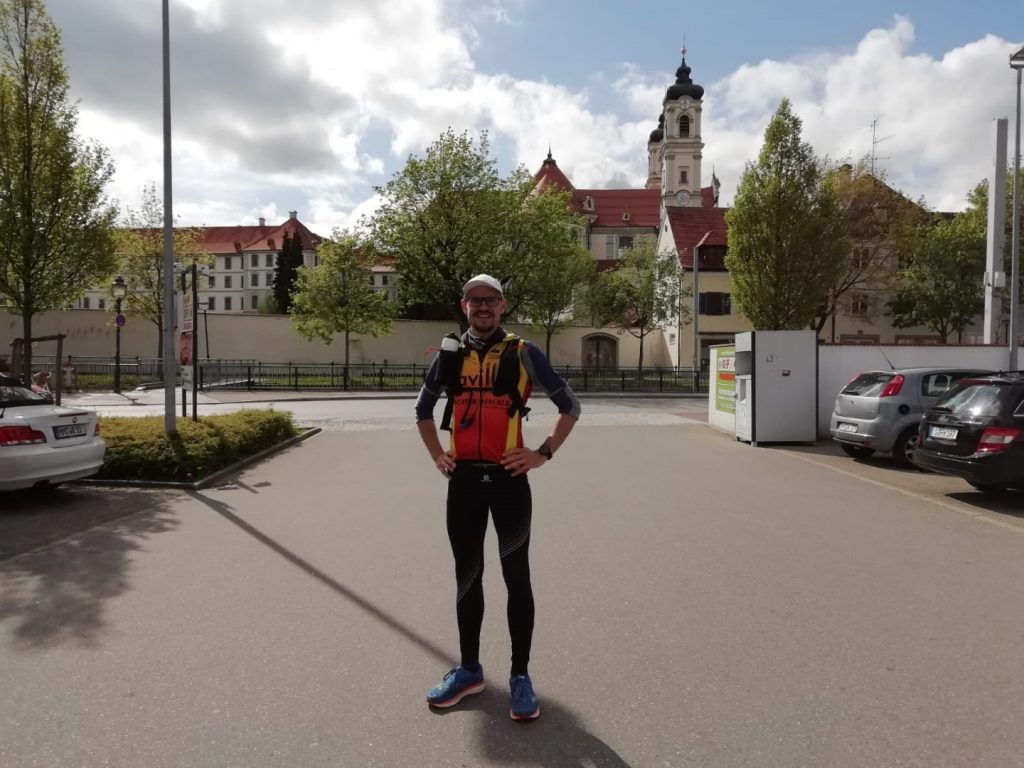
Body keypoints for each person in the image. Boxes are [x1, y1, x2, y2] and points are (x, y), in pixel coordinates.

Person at [415, 273, 581, 721]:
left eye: (491, 300)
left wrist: (542, 453)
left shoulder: (524, 352)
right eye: (475, 301)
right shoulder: (450, 354)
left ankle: (520, 677)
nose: (483, 307)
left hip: (509, 483)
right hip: (464, 482)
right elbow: (422, 411)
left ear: (503, 306)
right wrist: (437, 456)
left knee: (516, 579)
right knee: (468, 577)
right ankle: (469, 670)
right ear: (463, 305)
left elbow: (571, 406)